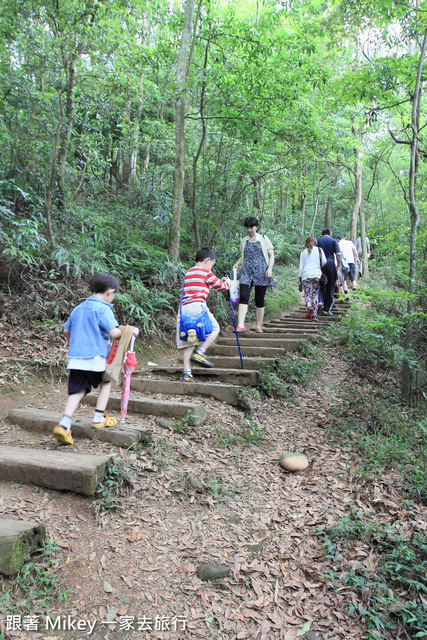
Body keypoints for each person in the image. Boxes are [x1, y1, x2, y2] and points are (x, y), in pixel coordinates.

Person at [54, 272, 139, 445]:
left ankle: (64, 423)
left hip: (76, 357)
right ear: (110, 291)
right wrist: (131, 330)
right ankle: (99, 417)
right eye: (113, 295)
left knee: (78, 390)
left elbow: (66, 331)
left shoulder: (78, 308)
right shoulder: (103, 309)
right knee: (105, 383)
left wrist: (73, 343)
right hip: (96, 357)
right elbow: (115, 333)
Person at [177, 248, 230, 383]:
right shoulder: (206, 272)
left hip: (183, 309)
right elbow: (221, 286)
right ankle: (200, 353)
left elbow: (201, 284)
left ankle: (187, 374)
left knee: (189, 341)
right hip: (197, 306)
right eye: (212, 264)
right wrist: (227, 283)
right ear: (207, 260)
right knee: (215, 328)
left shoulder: (188, 272)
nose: (211, 267)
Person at [233, 216, 274, 333]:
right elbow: (244, 256)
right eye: (247, 227)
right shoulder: (243, 241)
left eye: (252, 227)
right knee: (244, 296)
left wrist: (269, 269)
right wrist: (237, 263)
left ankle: (258, 326)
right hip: (246, 271)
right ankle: (240, 325)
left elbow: (271, 255)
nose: (249, 229)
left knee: (259, 299)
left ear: (257, 227)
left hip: (262, 271)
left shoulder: (264, 239)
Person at [298, 237, 326, 321]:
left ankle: (309, 306)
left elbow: (301, 266)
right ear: (315, 242)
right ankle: (315, 315)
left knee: (307, 293)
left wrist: (299, 278)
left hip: (306, 274)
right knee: (315, 294)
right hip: (317, 274)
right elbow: (324, 261)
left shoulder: (303, 251)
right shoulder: (319, 250)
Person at [316, 228, 341, 315]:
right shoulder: (334, 241)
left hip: (319, 265)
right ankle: (327, 309)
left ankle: (319, 300)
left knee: (320, 283)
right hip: (330, 264)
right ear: (331, 234)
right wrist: (338, 266)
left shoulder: (317, 241)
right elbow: (338, 254)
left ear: (322, 234)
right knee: (330, 285)